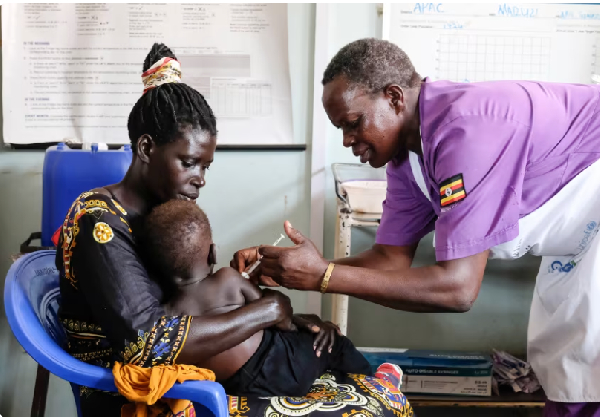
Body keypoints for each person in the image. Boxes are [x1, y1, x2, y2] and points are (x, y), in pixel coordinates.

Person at [232, 38, 600, 417]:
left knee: (590, 369)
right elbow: (389, 262)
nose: (347, 141)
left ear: (394, 97)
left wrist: (322, 275)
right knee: (569, 371)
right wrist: (296, 270)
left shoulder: (465, 131)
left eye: (353, 123)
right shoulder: (407, 159)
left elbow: (458, 289)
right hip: (580, 237)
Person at [55, 43, 341, 417]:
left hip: (189, 379)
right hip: (129, 396)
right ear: (145, 148)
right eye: (189, 163)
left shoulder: (161, 212)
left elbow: (186, 301)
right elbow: (145, 344)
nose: (200, 180)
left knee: (335, 369)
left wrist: (279, 317)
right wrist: (267, 311)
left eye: (205, 167)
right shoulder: (98, 223)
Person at [140, 199, 373, 397]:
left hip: (240, 385)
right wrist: (294, 327)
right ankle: (375, 381)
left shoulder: (167, 313)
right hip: (284, 365)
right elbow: (279, 316)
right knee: (335, 343)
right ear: (213, 253)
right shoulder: (227, 279)